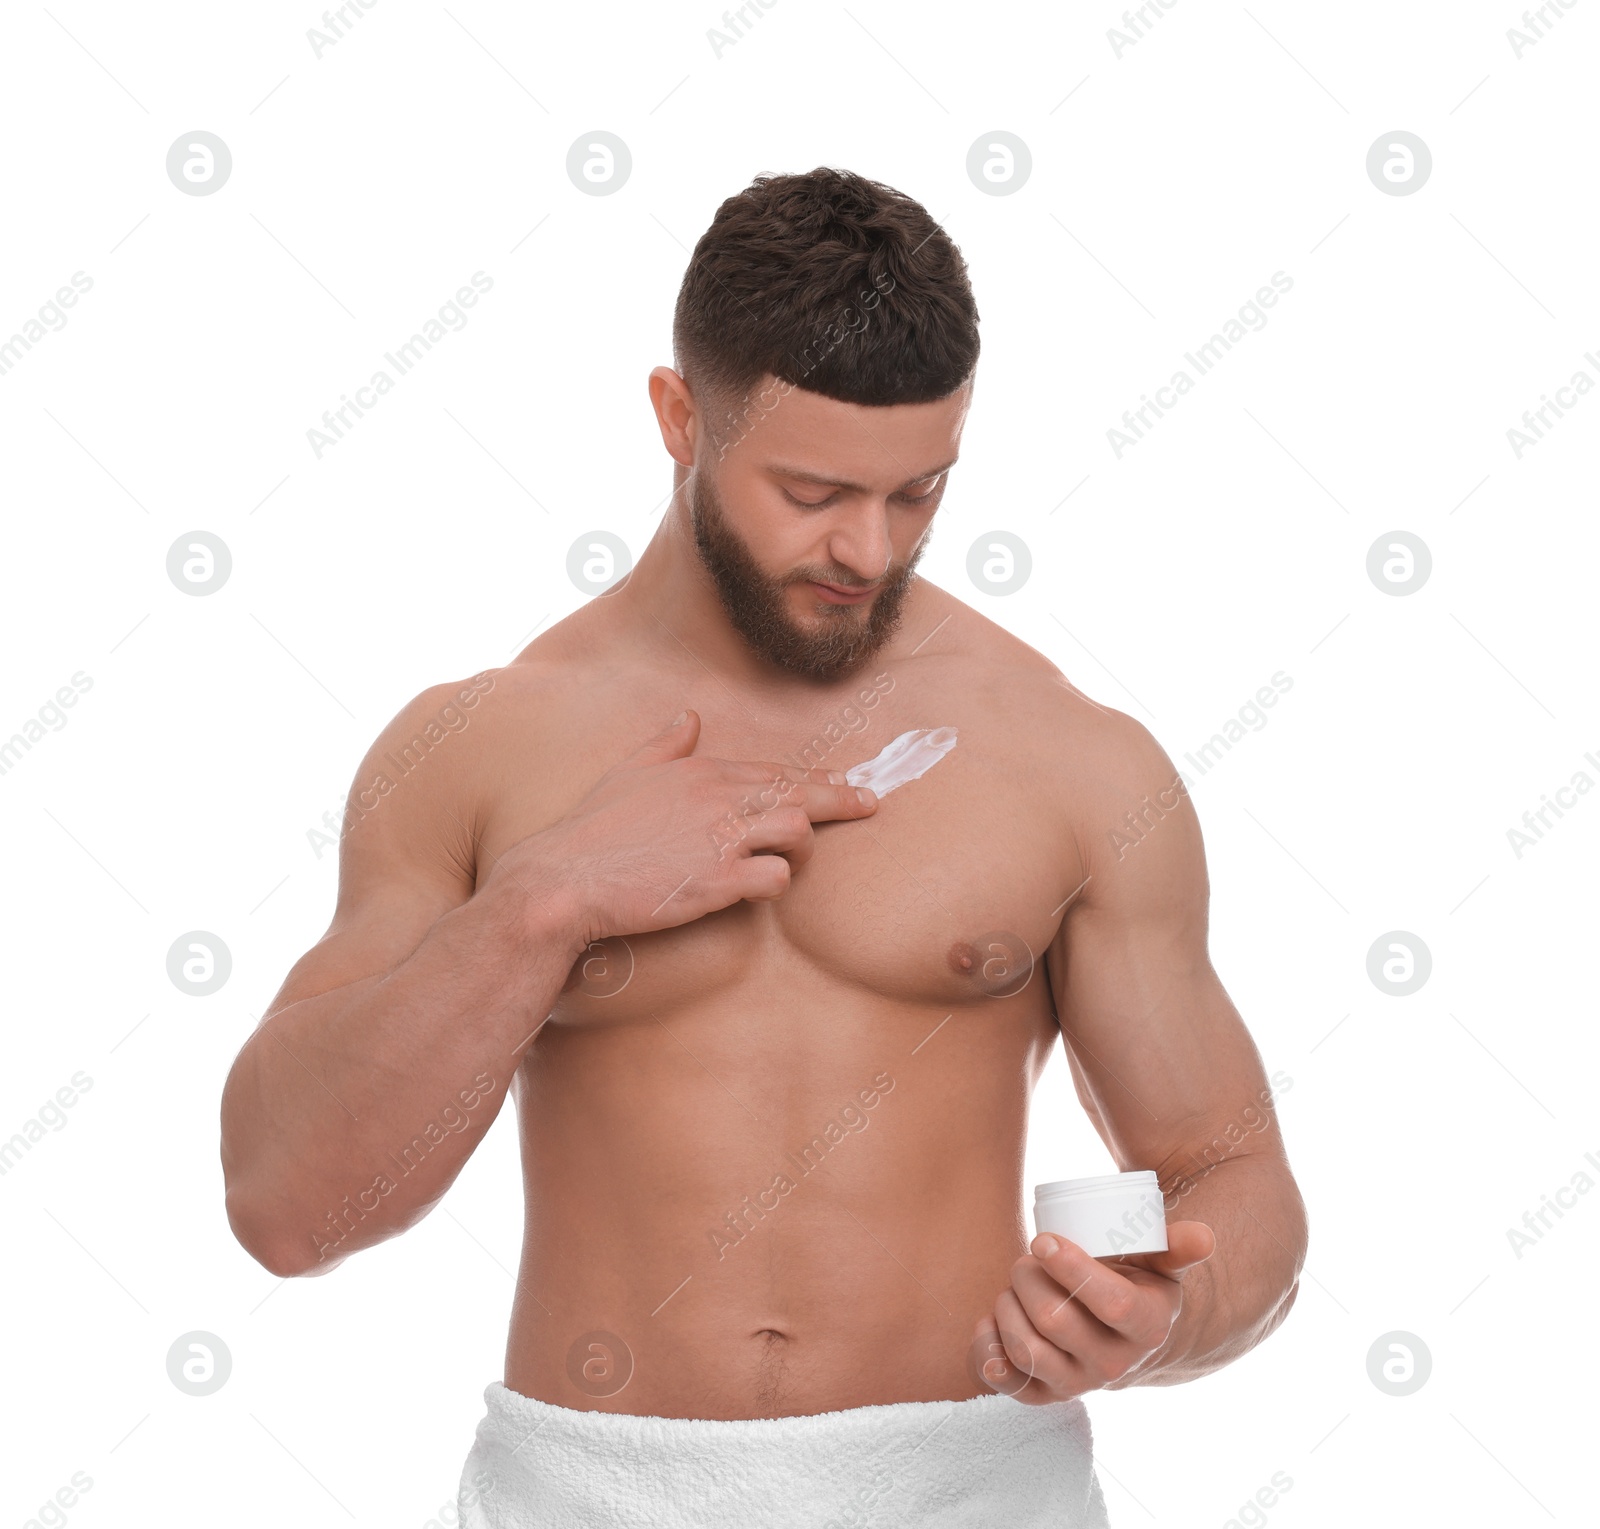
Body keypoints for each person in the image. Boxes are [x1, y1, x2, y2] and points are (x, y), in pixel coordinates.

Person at [220, 166, 1307, 1528]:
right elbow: (287, 1203)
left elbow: (1234, 1175)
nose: (867, 547)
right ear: (680, 419)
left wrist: (1160, 1315)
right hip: (588, 1496)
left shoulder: (1070, 757)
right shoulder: (480, 748)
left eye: (919, 493)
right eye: (811, 490)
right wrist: (549, 900)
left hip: (971, 1494)